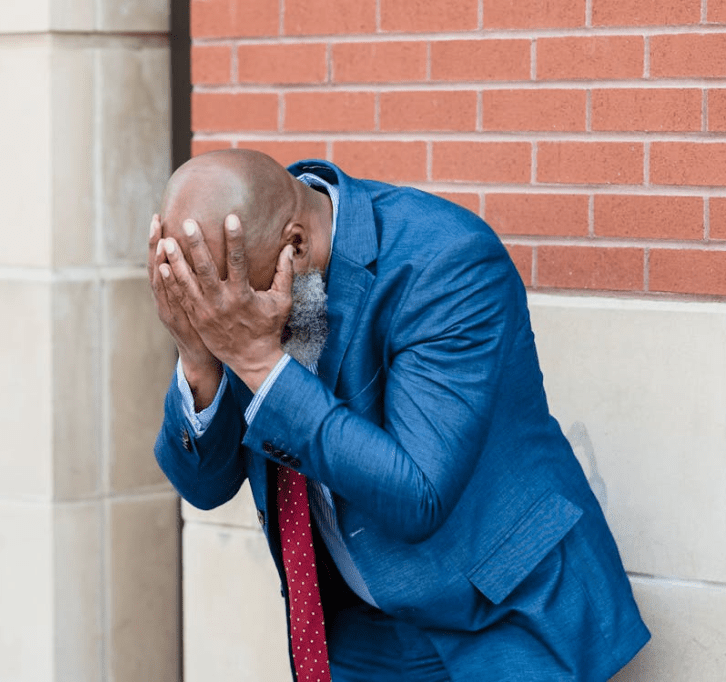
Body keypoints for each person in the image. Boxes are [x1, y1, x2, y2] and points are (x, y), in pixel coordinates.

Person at [150, 149, 650, 681]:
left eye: (223, 315)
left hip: (501, 611)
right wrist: (198, 357)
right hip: (361, 626)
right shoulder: (233, 287)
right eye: (202, 311)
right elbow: (205, 488)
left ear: (294, 246)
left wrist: (258, 362)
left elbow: (418, 495)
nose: (217, 320)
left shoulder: (445, 262)